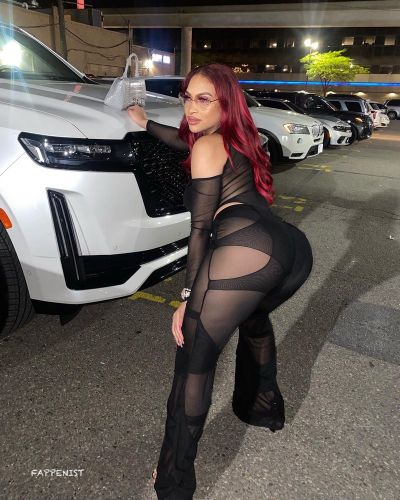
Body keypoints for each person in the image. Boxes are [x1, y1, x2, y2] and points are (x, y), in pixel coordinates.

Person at [127, 63, 313, 500]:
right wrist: (145, 122)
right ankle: (261, 407)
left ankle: (173, 479)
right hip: (291, 251)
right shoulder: (241, 138)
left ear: (224, 103)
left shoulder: (209, 145)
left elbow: (200, 230)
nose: (190, 108)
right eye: (187, 97)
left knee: (192, 365)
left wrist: (187, 297)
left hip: (246, 250)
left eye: (203, 99)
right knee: (254, 322)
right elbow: (184, 138)